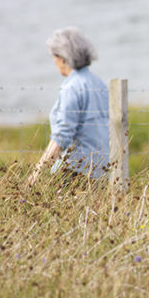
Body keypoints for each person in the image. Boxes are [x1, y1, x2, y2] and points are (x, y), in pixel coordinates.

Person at [28, 27, 110, 185]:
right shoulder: (100, 84)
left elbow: (63, 134)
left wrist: (36, 173)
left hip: (76, 170)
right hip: (103, 169)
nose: (54, 61)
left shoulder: (72, 87)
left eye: (54, 56)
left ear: (63, 58)